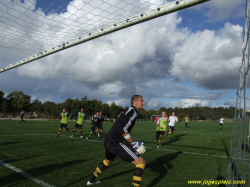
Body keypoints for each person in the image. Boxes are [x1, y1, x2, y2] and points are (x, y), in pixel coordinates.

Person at [87, 95, 146, 187]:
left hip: (109, 140)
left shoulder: (126, 110)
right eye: (142, 101)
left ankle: (91, 180)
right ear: (135, 102)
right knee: (141, 162)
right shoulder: (133, 111)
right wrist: (134, 142)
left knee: (108, 160)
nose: (143, 103)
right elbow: (122, 129)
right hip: (116, 142)